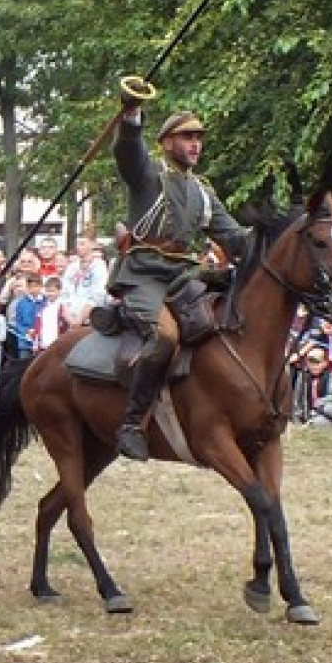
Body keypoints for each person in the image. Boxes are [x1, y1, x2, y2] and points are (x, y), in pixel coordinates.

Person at [109, 80, 249, 460]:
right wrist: (132, 112)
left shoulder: (203, 192)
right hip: (143, 275)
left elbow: (234, 236)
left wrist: (273, 240)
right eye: (187, 137)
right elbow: (128, 150)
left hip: (184, 276)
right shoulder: (148, 175)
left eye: (199, 138)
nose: (195, 145)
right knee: (166, 337)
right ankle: (132, 424)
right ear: (168, 142)